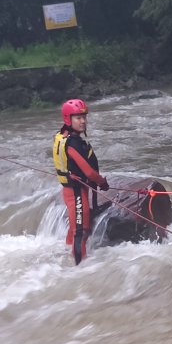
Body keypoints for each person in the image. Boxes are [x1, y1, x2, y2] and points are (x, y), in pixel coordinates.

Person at [53, 99, 109, 265]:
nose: (83, 121)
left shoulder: (63, 136)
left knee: (74, 229)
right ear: (68, 119)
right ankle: (80, 269)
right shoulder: (72, 143)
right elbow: (89, 172)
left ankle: (68, 256)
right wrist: (102, 183)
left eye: (84, 117)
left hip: (71, 190)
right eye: (78, 117)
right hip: (76, 191)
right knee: (81, 232)